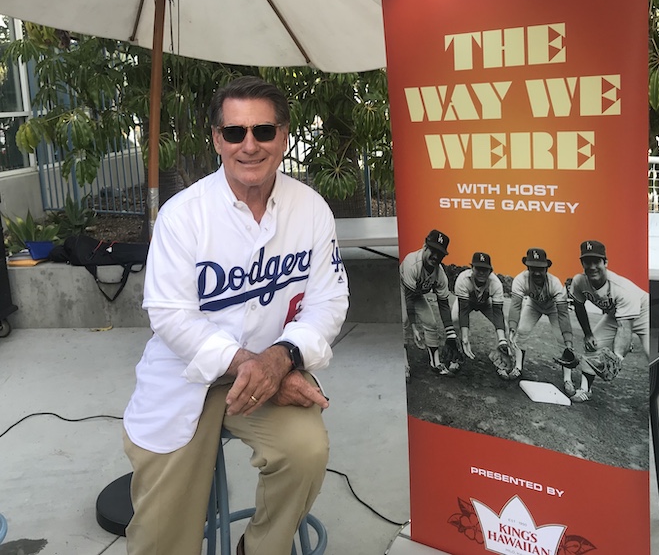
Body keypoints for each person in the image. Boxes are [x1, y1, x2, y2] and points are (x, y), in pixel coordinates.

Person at [122, 76, 349, 555]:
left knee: (305, 452)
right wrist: (258, 366)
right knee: (162, 537)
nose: (250, 145)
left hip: (273, 368)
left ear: (284, 136)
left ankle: (261, 548)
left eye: (263, 131)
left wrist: (282, 358)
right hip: (186, 376)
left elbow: (328, 302)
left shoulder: (310, 209)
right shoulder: (183, 215)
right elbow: (170, 317)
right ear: (216, 138)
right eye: (235, 132)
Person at [558, 239, 648, 403]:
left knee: (652, 354)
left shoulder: (620, 289)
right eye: (587, 261)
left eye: (596, 261)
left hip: (644, 312)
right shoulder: (579, 281)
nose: (592, 266)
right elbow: (579, 306)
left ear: (605, 262)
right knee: (594, 344)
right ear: (582, 263)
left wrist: (618, 356)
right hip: (616, 315)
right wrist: (588, 334)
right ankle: (585, 390)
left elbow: (624, 327)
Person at [503, 248, 573, 382]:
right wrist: (512, 327)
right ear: (527, 267)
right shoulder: (520, 279)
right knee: (521, 331)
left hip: (553, 308)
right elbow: (516, 305)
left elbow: (563, 314)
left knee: (562, 340)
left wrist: (569, 341)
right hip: (534, 305)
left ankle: (567, 379)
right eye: (532, 268)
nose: (536, 272)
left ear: (546, 268)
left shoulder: (555, 283)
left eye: (540, 268)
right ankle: (518, 367)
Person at [399, 229, 459, 376]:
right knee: (403, 322)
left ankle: (435, 362)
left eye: (440, 254)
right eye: (433, 250)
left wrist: (451, 335)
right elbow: (408, 297)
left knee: (431, 323)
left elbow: (443, 304)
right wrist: (414, 327)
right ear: (425, 246)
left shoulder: (440, 274)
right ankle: (403, 363)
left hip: (417, 294)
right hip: (401, 290)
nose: (436, 256)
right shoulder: (412, 263)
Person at [451, 252, 509, 366]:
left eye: (485, 269)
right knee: (454, 319)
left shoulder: (496, 283)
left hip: (485, 304)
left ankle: (499, 356)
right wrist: (465, 337)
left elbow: (498, 312)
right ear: (472, 268)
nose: (481, 272)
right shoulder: (463, 279)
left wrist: (502, 340)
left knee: (504, 326)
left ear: (490, 271)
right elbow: (463, 310)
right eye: (478, 268)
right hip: (467, 302)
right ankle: (456, 351)